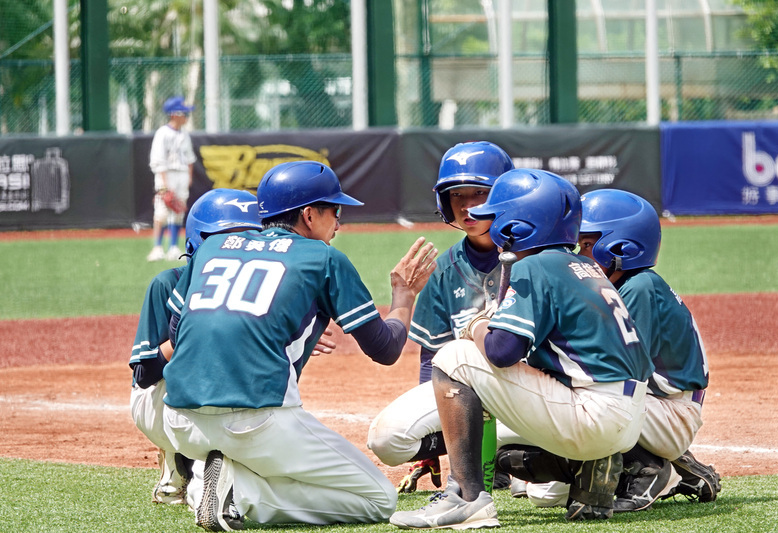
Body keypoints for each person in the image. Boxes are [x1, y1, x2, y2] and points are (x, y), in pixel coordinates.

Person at [161, 161, 438, 531]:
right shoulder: (323, 258)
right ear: (309, 215)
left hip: (178, 422)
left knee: (258, 452)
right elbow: (385, 349)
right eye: (334, 211)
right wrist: (403, 298)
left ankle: (204, 483)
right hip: (254, 421)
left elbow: (177, 334)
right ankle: (241, 495)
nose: (339, 223)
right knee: (378, 499)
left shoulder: (212, 248)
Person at [389, 169, 652, 529]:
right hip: (628, 420)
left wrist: (476, 325)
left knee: (454, 357)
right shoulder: (583, 265)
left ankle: (466, 498)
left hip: (593, 417)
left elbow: (501, 351)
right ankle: (585, 466)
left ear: (519, 225)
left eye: (497, 217)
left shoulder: (536, 266)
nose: (491, 224)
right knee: (536, 482)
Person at [367, 141, 517, 493]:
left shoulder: (535, 256)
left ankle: (518, 456)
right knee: (386, 441)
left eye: (479, 193)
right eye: (457, 196)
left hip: (529, 396)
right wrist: (430, 436)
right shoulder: (444, 271)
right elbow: (432, 358)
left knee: (543, 487)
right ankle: (479, 449)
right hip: (470, 402)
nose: (466, 206)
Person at [577, 189, 721, 512]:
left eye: (587, 244)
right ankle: (674, 466)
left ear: (620, 247)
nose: (579, 254)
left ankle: (651, 471)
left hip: (672, 412)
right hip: (659, 407)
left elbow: (624, 370)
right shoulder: (626, 285)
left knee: (586, 399)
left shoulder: (639, 287)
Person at [130, 188, 264, 505]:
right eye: (226, 237)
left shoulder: (260, 287)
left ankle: (201, 468)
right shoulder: (167, 283)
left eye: (247, 237)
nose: (236, 246)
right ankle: (175, 465)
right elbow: (145, 373)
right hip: (160, 403)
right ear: (199, 238)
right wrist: (192, 335)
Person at [147, 95, 197, 262]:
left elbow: (190, 158)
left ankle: (174, 247)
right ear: (175, 114)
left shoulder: (185, 134)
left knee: (178, 211)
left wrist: (188, 177)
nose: (187, 117)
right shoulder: (162, 133)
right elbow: (158, 160)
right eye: (184, 113)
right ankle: (157, 247)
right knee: (161, 211)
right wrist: (164, 183)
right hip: (166, 174)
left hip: (181, 174)